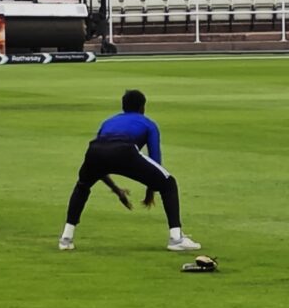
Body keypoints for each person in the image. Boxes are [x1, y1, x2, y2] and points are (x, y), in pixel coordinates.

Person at [60, 89, 201, 253]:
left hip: (95, 150)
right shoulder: (148, 123)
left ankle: (66, 238)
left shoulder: (108, 122)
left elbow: (100, 162)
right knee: (169, 183)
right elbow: (155, 161)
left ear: (123, 107)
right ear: (143, 107)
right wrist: (151, 190)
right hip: (124, 150)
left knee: (82, 186)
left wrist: (116, 190)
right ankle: (176, 238)